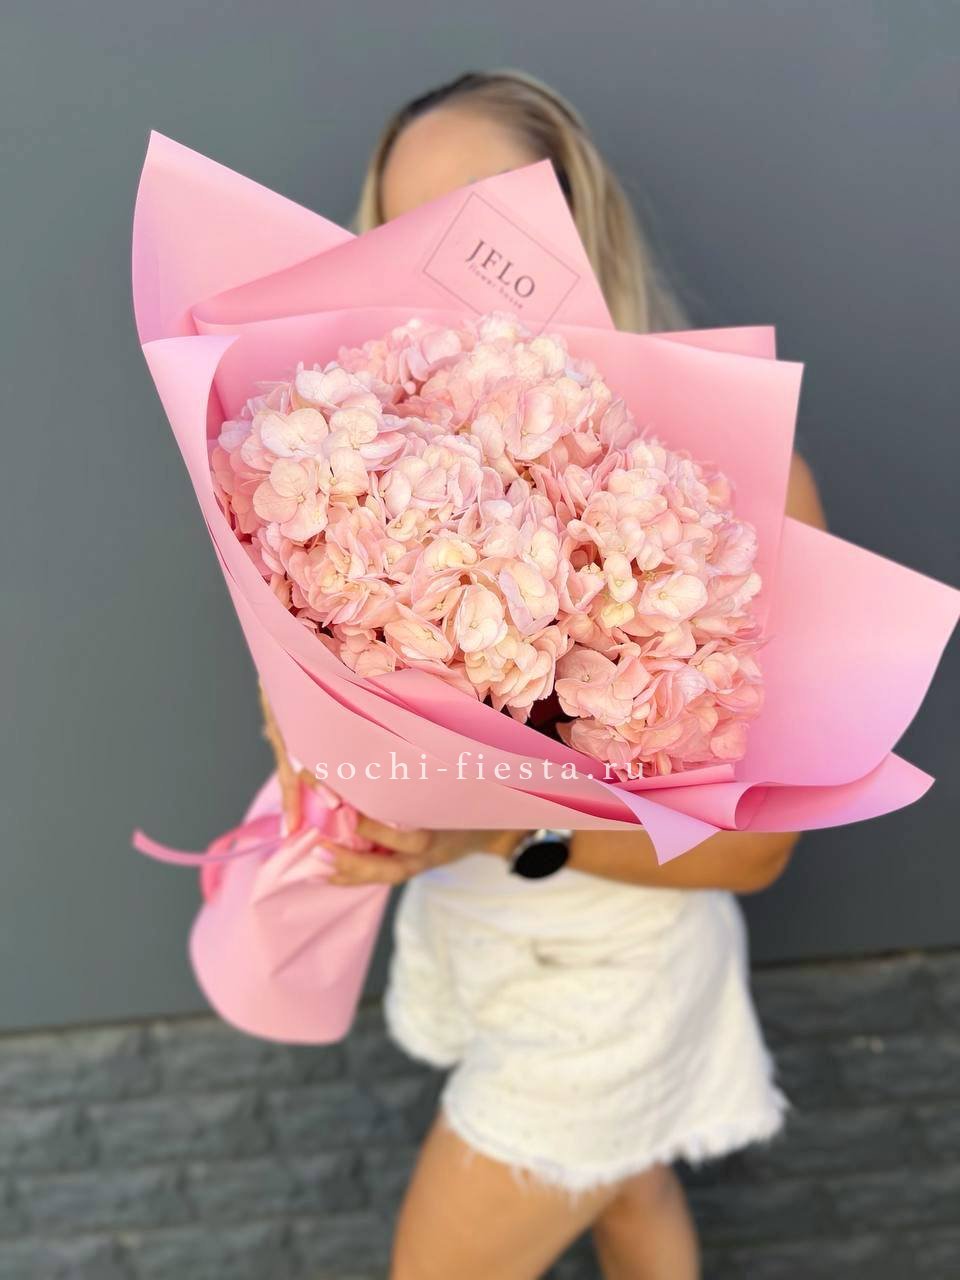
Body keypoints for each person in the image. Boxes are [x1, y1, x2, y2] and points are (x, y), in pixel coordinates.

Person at [261, 68, 828, 1280]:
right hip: (480, 935)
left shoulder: (740, 470)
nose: (452, 264)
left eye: (486, 215)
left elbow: (758, 850)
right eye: (408, 230)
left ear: (576, 213)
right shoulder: (364, 474)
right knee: (633, 1199)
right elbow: (335, 726)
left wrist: (488, 829)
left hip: (613, 975)